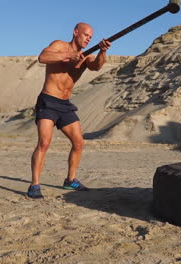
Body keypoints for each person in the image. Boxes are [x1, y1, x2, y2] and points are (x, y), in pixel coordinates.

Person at [27, 22, 111, 199]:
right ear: (75, 32)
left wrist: (102, 51)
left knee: (79, 143)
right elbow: (42, 57)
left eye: (91, 37)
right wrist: (68, 55)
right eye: (86, 35)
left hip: (65, 105)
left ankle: (70, 180)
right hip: (48, 101)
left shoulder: (86, 56)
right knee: (44, 142)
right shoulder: (59, 45)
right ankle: (35, 185)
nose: (89, 39)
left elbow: (96, 66)